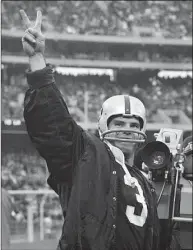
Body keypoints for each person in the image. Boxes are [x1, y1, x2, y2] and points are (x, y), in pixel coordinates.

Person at [20, 9, 180, 250]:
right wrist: (37, 62)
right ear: (104, 125)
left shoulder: (143, 179)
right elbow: (52, 125)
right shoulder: (87, 154)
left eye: (133, 125)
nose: (127, 130)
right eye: (119, 123)